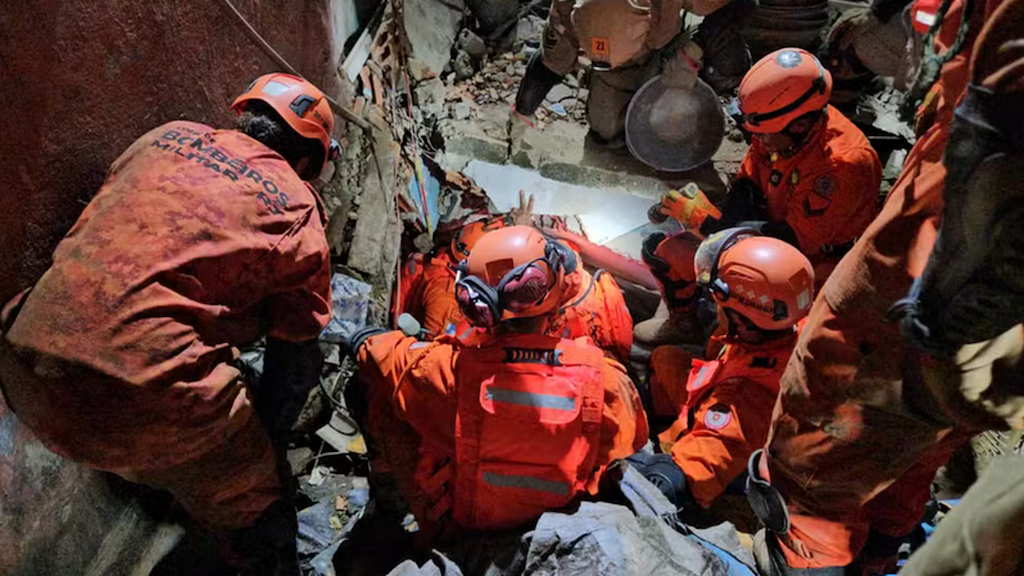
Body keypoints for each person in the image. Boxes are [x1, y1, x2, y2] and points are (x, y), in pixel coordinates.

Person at [0, 73, 339, 575]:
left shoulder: (163, 136)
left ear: (244, 117)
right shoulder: (298, 210)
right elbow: (294, 366)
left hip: (23, 363)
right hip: (147, 398)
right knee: (259, 503)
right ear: (310, 159)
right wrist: (260, 450)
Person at [744, 0, 1024, 573]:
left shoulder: (843, 164)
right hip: (962, 253)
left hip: (944, 254)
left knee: (814, 449)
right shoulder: (781, 135)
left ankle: (811, 557)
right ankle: (874, 551)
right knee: (918, 439)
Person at [353, 225, 648, 539]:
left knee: (383, 398)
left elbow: (383, 357)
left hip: (467, 526)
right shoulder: (604, 379)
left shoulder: (447, 369)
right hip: (558, 528)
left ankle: (390, 504)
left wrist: (360, 339)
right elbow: (633, 439)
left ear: (473, 299)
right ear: (555, 288)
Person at [637, 48, 881, 346]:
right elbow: (748, 184)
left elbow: (792, 244)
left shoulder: (843, 166)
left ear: (801, 124)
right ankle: (684, 324)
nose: (758, 140)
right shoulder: (777, 128)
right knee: (668, 253)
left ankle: (731, 351)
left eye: (763, 133)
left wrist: (710, 227)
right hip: (768, 235)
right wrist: (716, 220)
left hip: (809, 266)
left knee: (740, 316)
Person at [628, 229, 814, 514]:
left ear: (744, 319)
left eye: (721, 302)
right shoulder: (793, 320)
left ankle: (668, 429)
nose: (715, 304)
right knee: (665, 358)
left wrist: (625, 471)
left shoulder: (743, 401)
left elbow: (689, 477)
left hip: (741, 449)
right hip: (735, 369)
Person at [512, 0, 752, 147]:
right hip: (615, 62)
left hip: (669, 47)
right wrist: (522, 113)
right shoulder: (565, 12)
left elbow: (746, 4)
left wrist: (694, 50)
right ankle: (611, 75)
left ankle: (694, 96)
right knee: (606, 131)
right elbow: (548, 65)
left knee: (671, 128)